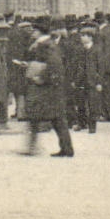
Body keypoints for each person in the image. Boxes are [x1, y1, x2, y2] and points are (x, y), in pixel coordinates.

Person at [20, 21, 73, 157]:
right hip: (52, 88)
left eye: (34, 30)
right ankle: (66, 148)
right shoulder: (48, 44)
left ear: (39, 32)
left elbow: (54, 65)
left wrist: (42, 77)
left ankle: (32, 148)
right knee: (56, 119)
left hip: (47, 89)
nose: (32, 32)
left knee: (38, 117)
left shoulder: (46, 45)